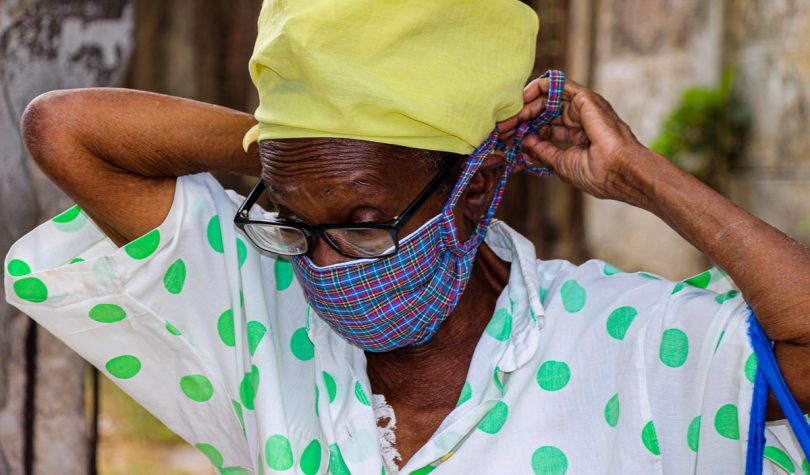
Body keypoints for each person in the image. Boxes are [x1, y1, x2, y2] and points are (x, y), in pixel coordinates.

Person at [5, 1, 810, 473]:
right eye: (294, 220)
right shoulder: (263, 309)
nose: (323, 264)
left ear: (477, 187)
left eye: (363, 224)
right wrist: (297, 147)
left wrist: (641, 176)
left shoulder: (624, 344)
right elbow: (65, 130)